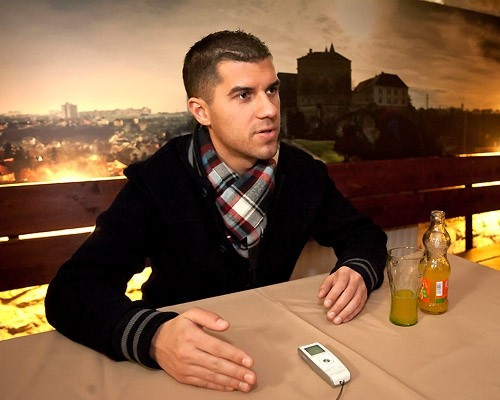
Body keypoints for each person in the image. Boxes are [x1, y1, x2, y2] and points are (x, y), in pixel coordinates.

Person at [45, 30, 387, 393]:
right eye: (244, 95)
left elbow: (363, 235)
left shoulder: (303, 174)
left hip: (273, 348)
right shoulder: (160, 180)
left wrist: (358, 269)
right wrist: (154, 337)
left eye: (272, 89)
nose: (270, 109)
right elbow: (72, 291)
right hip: (177, 363)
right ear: (201, 111)